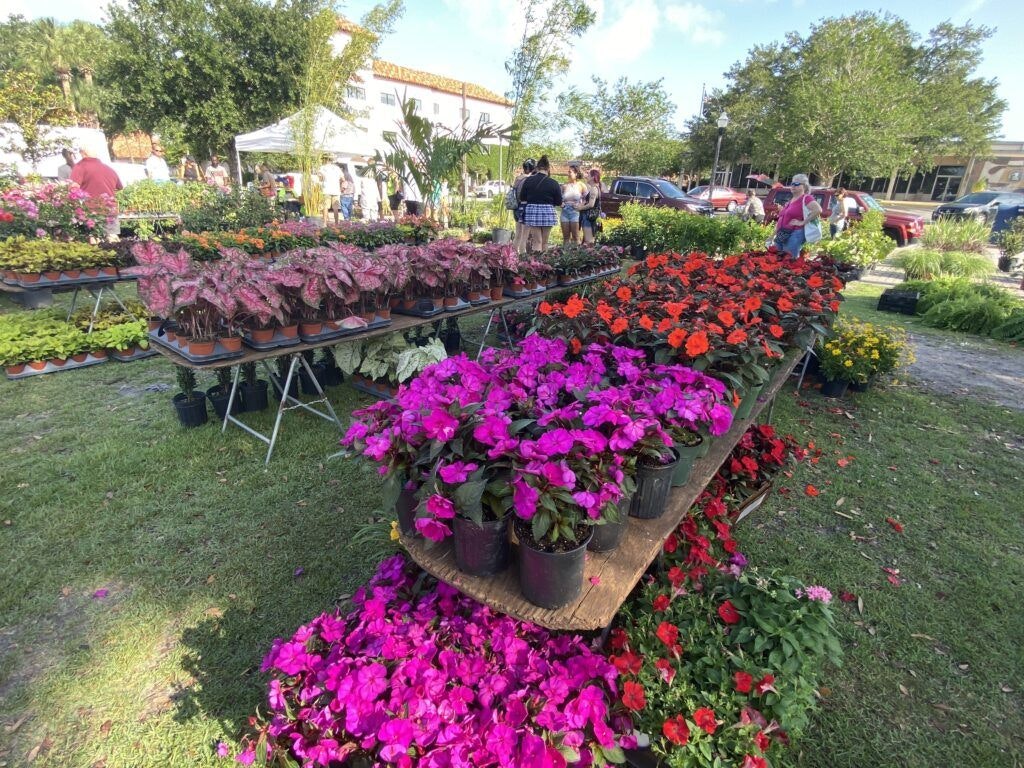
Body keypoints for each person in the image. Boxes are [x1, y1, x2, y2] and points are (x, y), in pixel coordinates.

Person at [69, 146, 123, 237]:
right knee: (113, 241)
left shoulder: (80, 167)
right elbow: (119, 187)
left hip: (90, 210)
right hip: (110, 210)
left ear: (83, 154)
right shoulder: (109, 169)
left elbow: (74, 188)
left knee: (93, 241)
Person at [518, 155, 561, 254]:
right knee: (545, 242)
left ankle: (537, 266)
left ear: (537, 168)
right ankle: (545, 263)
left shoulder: (528, 180)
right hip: (548, 212)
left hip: (532, 211)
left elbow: (522, 198)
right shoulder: (554, 183)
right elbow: (558, 201)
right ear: (548, 168)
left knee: (537, 241)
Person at [773, 174, 822, 258]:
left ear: (804, 186)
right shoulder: (791, 200)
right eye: (792, 184)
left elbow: (818, 210)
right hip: (783, 233)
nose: (793, 186)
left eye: (796, 184)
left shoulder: (806, 198)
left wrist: (802, 222)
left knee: (789, 260)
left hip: (795, 233)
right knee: (777, 258)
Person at [511, 158, 537, 254]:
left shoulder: (518, 178)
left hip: (517, 207)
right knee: (524, 236)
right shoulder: (529, 179)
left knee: (518, 234)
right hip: (526, 207)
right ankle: (522, 256)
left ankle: (512, 256)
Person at [560, 165, 587, 245]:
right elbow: (559, 199)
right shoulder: (564, 186)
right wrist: (561, 204)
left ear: (576, 173)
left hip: (575, 212)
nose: (568, 174)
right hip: (565, 212)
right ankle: (565, 256)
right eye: (568, 172)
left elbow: (587, 198)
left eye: (570, 172)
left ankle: (577, 256)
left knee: (576, 237)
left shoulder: (581, 185)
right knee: (566, 238)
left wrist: (581, 206)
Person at [578, 168, 603, 245]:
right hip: (591, 217)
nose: (586, 177)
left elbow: (591, 204)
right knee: (587, 241)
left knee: (589, 242)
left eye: (588, 175)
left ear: (592, 177)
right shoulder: (596, 188)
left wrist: (580, 208)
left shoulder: (594, 189)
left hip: (589, 217)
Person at [318, 158, 343, 224]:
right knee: (335, 208)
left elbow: (320, 179)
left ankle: (325, 223)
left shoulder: (322, 168)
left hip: (326, 190)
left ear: (325, 160)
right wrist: (338, 183)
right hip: (336, 190)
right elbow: (343, 179)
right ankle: (336, 223)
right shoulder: (337, 168)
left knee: (325, 207)